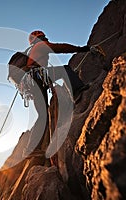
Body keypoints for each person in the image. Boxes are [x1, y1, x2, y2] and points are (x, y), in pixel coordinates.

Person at [22, 30, 90, 163]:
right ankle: (77, 92)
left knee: (43, 115)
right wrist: (81, 49)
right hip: (38, 78)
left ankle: (30, 149)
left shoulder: (32, 51)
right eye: (43, 37)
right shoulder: (40, 46)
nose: (45, 39)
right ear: (40, 38)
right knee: (66, 70)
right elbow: (60, 47)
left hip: (34, 82)